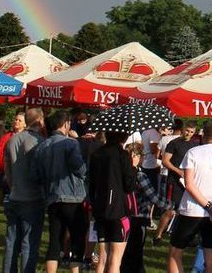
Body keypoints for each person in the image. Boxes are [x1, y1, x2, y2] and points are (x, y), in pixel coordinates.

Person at [168, 120, 212, 273]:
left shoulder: (193, 153)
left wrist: (208, 206)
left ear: (202, 135)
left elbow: (190, 184)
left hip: (192, 210)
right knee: (211, 258)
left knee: (175, 253)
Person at [33, 110, 87, 273]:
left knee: (54, 239)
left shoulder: (41, 146)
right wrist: (85, 170)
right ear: (65, 124)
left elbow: (36, 174)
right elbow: (78, 167)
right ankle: (75, 270)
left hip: (52, 197)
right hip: (73, 197)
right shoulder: (70, 144)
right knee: (77, 237)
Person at [3, 107, 46, 273]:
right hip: (33, 197)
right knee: (29, 241)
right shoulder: (38, 141)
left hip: (15, 193)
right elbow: (40, 171)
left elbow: (7, 168)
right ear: (40, 121)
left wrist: (13, 184)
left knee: (11, 241)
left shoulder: (12, 140)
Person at [88, 129, 136, 273]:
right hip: (118, 210)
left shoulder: (97, 154)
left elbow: (92, 183)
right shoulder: (123, 155)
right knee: (115, 259)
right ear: (124, 136)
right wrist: (134, 167)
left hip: (100, 208)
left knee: (103, 256)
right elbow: (129, 186)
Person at [157, 121, 196, 241]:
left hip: (187, 182)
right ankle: (158, 234)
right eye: (187, 131)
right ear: (183, 130)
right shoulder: (173, 143)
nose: (188, 134)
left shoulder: (194, 145)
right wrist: (178, 171)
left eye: (191, 132)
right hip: (174, 181)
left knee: (186, 210)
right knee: (170, 210)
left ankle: (184, 236)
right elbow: (165, 161)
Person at [123, 142, 157, 273]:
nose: (142, 158)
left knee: (126, 252)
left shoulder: (121, 173)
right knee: (136, 252)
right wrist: (170, 205)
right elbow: (153, 196)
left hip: (124, 217)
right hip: (139, 216)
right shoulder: (140, 176)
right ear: (135, 156)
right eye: (141, 155)